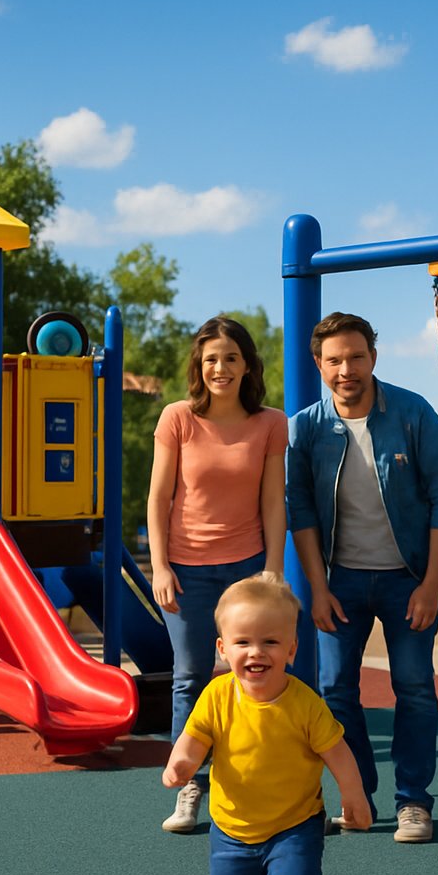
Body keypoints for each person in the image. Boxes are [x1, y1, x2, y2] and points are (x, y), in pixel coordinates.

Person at [286, 312, 438, 844]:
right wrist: (317, 588)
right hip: (341, 582)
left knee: (414, 688)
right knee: (335, 690)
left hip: (407, 579)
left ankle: (413, 804)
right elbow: (303, 515)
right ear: (319, 364)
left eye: (356, 357)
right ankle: (357, 793)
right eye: (334, 360)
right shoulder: (307, 429)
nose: (346, 369)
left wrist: (431, 586)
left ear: (373, 358)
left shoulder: (412, 414)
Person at [163, 576, 369, 875]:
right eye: (243, 642)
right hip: (230, 831)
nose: (256, 652)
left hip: (294, 825)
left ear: (291, 649)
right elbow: (195, 737)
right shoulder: (216, 695)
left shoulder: (304, 704)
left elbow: (336, 750)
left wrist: (353, 795)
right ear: (223, 649)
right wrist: (182, 763)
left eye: (270, 642)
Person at [148, 316, 288, 833]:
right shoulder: (177, 418)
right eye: (211, 359)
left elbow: (274, 501)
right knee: (189, 679)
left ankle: (262, 785)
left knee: (255, 678)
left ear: (247, 364)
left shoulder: (271, 423)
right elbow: (159, 498)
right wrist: (160, 566)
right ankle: (189, 789)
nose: (220, 368)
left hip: (247, 570)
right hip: (186, 569)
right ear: (198, 365)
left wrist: (272, 570)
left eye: (231, 358)